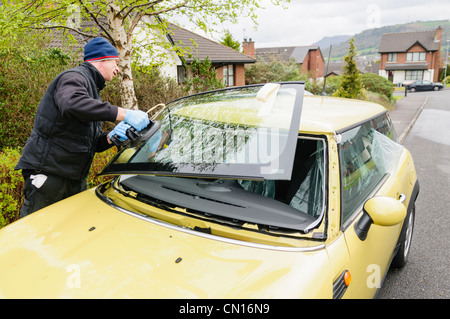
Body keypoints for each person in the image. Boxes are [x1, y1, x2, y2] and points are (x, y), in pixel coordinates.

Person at [15, 37, 149, 218]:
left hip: (72, 177)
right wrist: (124, 113)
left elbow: (86, 142)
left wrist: (110, 138)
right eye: (115, 62)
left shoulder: (91, 89)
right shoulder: (74, 77)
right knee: (37, 234)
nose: (117, 69)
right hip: (50, 174)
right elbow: (71, 104)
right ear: (102, 60)